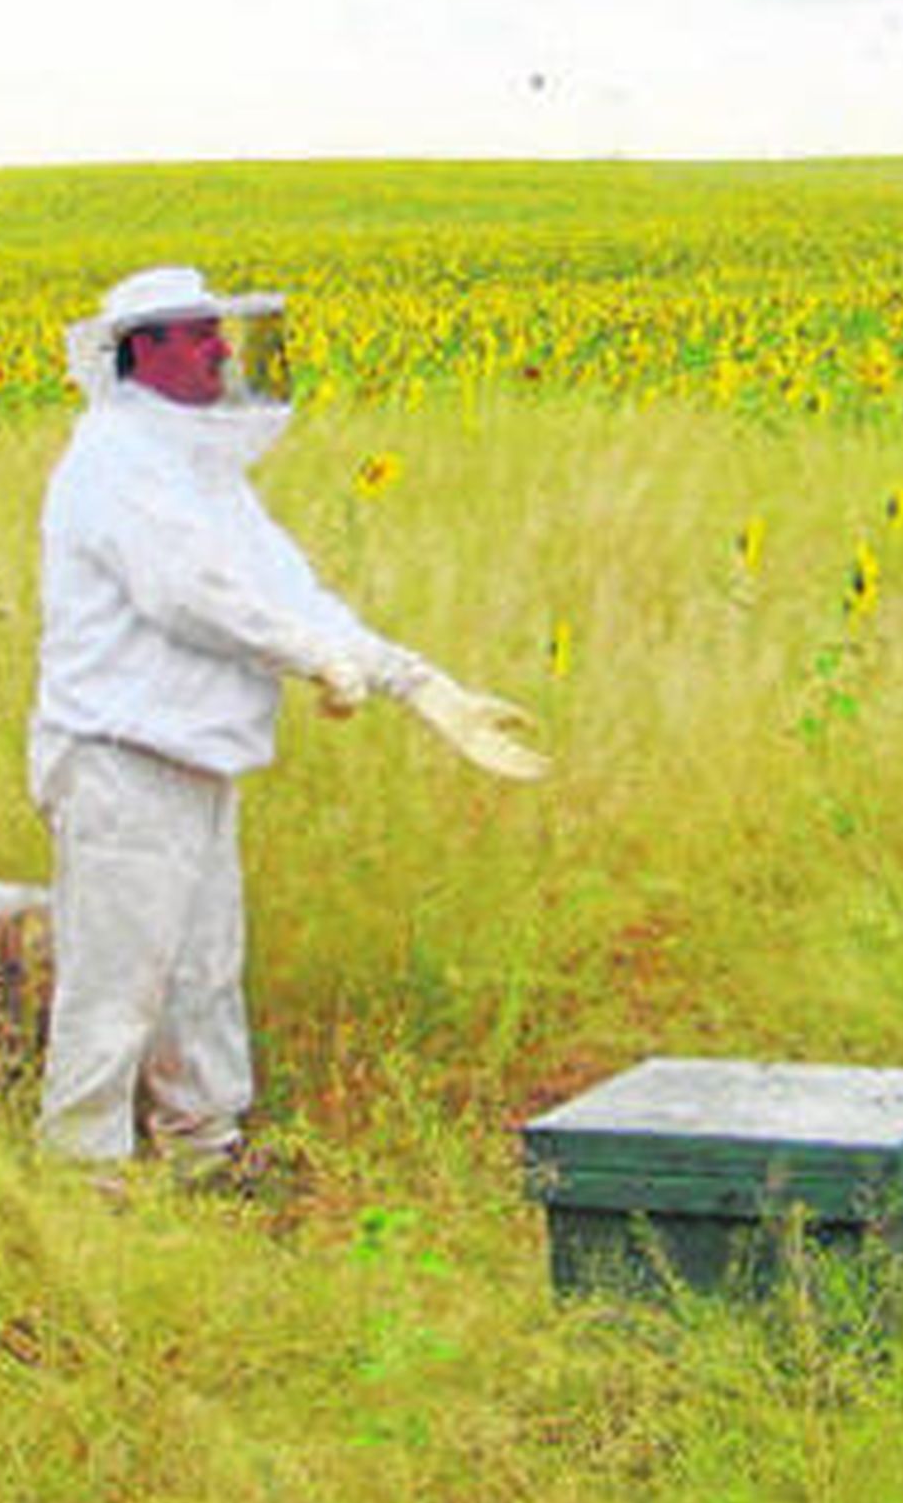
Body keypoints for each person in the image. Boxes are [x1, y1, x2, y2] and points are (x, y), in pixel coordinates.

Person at [30, 265, 545, 1171]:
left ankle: (206, 1153)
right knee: (117, 985)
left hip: (191, 760)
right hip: (120, 759)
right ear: (143, 349)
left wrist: (419, 684)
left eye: (218, 330)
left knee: (200, 972)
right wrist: (311, 658)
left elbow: (289, 591)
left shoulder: (200, 467)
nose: (222, 348)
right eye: (197, 334)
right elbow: (189, 593)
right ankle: (82, 1181)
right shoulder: (116, 458)